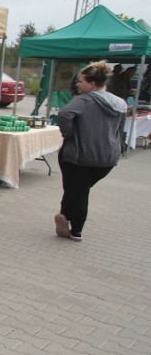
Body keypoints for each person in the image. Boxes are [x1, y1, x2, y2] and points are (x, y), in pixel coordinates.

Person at [54, 61, 127, 242]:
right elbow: (120, 128)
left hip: (80, 155)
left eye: (81, 81)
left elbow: (63, 115)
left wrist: (69, 134)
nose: (78, 84)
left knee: (78, 191)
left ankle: (76, 230)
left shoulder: (85, 100)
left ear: (92, 84)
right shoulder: (120, 103)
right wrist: (118, 144)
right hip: (107, 158)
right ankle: (64, 218)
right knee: (77, 189)